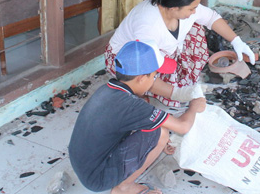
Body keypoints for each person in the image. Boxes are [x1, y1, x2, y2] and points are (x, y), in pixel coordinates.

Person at [69, 40, 206, 194]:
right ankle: (123, 188)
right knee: (160, 133)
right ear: (141, 78)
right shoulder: (131, 105)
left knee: (154, 126)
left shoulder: (108, 90)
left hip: (83, 164)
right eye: (154, 77)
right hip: (97, 178)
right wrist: (193, 108)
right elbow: (183, 126)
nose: (155, 81)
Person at [104, 0, 255, 107]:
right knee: (156, 88)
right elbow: (146, 69)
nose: (195, 11)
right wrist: (177, 93)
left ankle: (164, 87)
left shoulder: (175, 6)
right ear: (174, 8)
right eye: (191, 9)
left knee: (196, 26)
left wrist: (237, 41)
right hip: (127, 61)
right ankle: (140, 92)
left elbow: (211, 17)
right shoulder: (148, 26)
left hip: (160, 51)